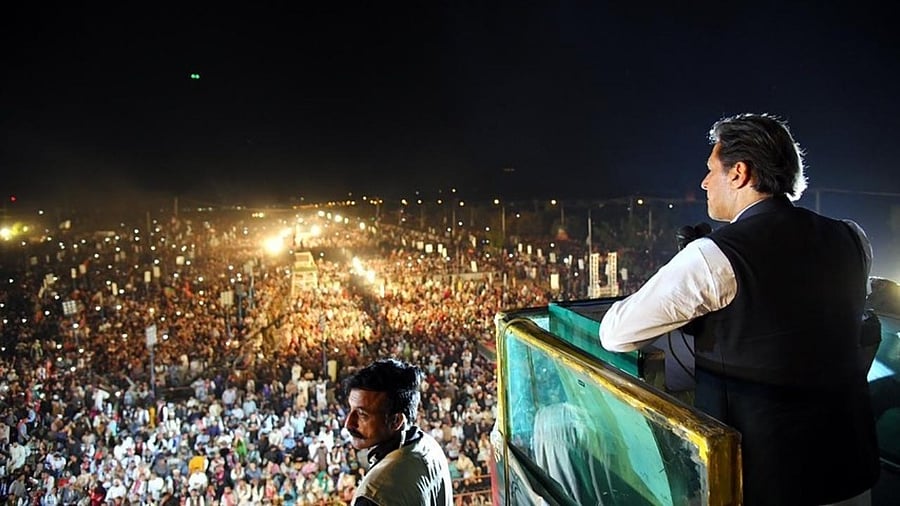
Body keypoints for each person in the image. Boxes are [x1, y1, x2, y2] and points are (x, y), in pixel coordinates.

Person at [599, 113, 880, 505]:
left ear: (739, 173)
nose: (704, 182)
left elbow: (615, 333)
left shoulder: (714, 256)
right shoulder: (852, 237)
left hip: (764, 481)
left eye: (711, 169)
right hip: (852, 471)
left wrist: (686, 271)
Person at [343, 358, 453, 506]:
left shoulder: (374, 495)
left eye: (362, 414)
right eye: (350, 409)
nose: (348, 423)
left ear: (395, 421)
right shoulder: (429, 446)